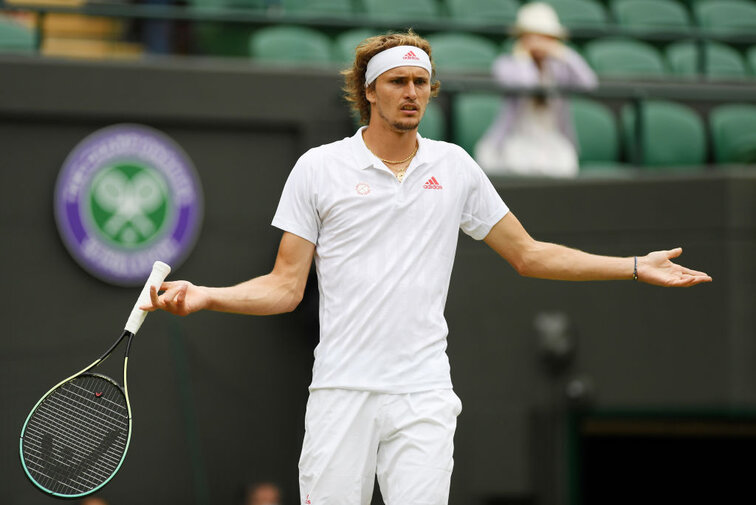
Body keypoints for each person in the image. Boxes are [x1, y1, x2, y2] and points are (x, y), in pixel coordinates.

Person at [143, 30, 711, 505]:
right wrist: (208, 296)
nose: (412, 93)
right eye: (398, 82)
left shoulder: (455, 167)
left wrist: (634, 265)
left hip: (423, 393)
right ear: (370, 91)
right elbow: (285, 287)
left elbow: (529, 254)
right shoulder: (319, 168)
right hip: (342, 390)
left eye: (421, 83)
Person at [475, 2, 598, 177]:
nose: (539, 43)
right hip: (516, 140)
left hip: (552, 141)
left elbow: (589, 82)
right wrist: (523, 58)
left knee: (567, 165)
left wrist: (562, 53)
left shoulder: (559, 66)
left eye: (546, 37)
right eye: (533, 36)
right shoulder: (507, 64)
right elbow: (528, 84)